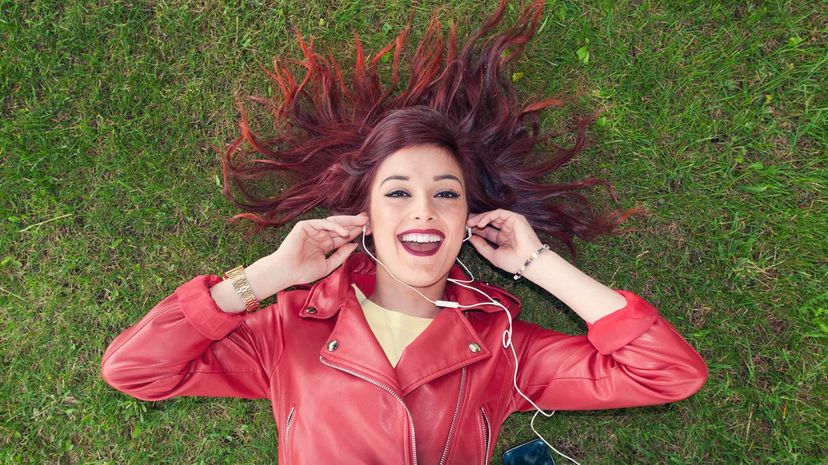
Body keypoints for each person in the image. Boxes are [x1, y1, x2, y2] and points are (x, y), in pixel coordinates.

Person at [100, 1, 708, 464]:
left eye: (446, 194)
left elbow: (667, 373)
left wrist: (539, 263)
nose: (424, 211)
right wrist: (269, 275)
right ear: (364, 214)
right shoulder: (287, 331)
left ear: (469, 220)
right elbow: (136, 370)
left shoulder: (503, 349)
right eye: (398, 193)